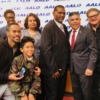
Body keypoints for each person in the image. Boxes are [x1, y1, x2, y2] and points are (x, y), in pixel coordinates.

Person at [40, 5, 70, 100]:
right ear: (53, 13)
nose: (62, 15)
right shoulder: (48, 27)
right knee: (52, 96)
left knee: (60, 94)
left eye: (64, 13)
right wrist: (53, 69)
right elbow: (46, 50)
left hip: (63, 69)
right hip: (52, 71)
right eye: (60, 13)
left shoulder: (64, 27)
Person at [68, 12, 98, 100]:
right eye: (72, 20)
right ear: (69, 22)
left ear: (80, 20)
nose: (75, 21)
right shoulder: (69, 33)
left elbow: (94, 50)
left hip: (85, 69)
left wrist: (90, 67)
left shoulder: (87, 31)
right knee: (76, 93)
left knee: (86, 93)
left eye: (77, 19)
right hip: (73, 69)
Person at [0, 23, 22, 100]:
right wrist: (7, 76)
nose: (17, 34)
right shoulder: (1, 46)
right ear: (7, 33)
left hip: (10, 84)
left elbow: (28, 60)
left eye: (19, 31)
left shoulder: (20, 48)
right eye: (14, 31)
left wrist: (36, 68)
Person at [86, 8, 100, 100]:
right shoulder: (85, 31)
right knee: (94, 89)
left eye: (95, 15)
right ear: (88, 18)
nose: (93, 18)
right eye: (91, 16)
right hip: (92, 66)